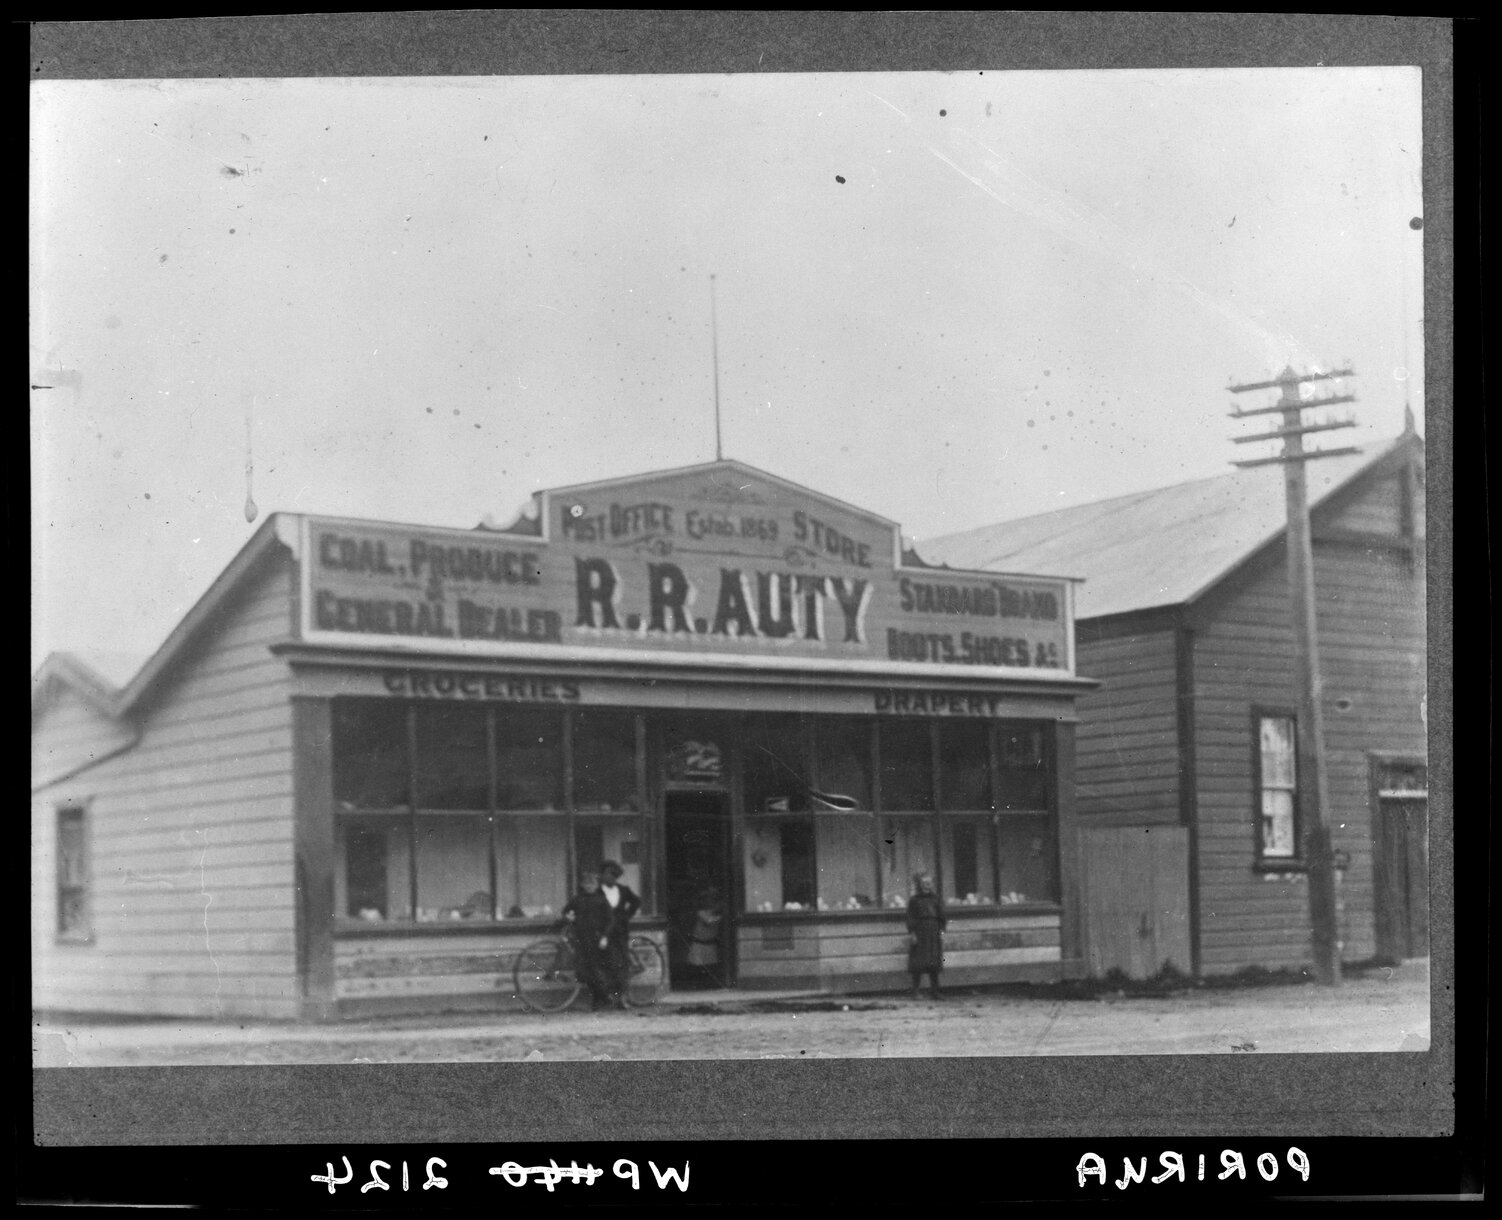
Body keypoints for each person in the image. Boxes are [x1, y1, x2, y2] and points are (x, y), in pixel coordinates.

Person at [561, 871, 612, 1011]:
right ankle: (602, 998)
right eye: (587, 883)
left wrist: (605, 937)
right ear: (582, 885)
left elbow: (610, 920)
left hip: (597, 939)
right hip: (580, 939)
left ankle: (601, 999)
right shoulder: (577, 899)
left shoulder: (601, 900)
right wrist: (568, 917)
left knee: (594, 970)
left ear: (597, 885)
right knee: (583, 972)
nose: (589, 886)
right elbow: (565, 911)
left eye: (592, 884)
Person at [598, 860, 642, 1009]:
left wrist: (626, 916)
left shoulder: (623, 890)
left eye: (615, 875)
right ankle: (610, 998)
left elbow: (636, 902)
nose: (612, 878)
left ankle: (622, 998)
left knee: (622, 964)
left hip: (621, 932)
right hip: (603, 932)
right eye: (609, 874)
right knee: (608, 964)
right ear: (602, 875)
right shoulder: (597, 892)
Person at [906, 872, 947, 999]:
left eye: (928, 883)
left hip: (934, 931)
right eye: (923, 884)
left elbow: (942, 917)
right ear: (919, 885)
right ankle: (915, 991)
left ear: (932, 885)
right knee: (918, 962)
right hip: (920, 931)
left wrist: (942, 932)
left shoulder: (936, 899)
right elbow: (910, 917)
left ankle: (935, 991)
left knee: (934, 961)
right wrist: (912, 933)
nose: (926, 886)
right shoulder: (914, 900)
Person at [685, 886, 725, 982]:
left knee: (710, 966)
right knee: (698, 967)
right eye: (708, 899)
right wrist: (720, 917)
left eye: (712, 899)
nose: (710, 901)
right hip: (699, 944)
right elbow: (709, 921)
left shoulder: (715, 911)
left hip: (710, 943)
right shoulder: (701, 912)